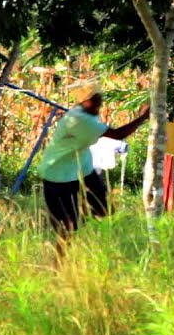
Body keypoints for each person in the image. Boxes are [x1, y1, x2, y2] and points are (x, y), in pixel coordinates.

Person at [38, 80, 149, 242]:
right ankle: (60, 261)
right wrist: (143, 117)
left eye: (100, 100)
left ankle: (81, 219)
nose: (100, 104)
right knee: (68, 228)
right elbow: (118, 134)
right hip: (58, 175)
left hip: (83, 170)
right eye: (96, 100)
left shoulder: (85, 113)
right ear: (84, 101)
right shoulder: (80, 120)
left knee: (105, 209)